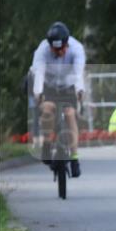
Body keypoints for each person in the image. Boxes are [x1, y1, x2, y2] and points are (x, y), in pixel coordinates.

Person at [31, 21, 86, 177]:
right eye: (55, 50)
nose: (59, 52)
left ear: (67, 44)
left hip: (69, 87)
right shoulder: (42, 50)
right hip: (49, 86)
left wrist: (80, 90)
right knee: (47, 109)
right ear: (49, 46)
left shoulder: (77, 49)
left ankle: (75, 159)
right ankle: (47, 144)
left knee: (70, 114)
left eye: (62, 49)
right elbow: (39, 74)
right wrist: (38, 93)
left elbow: (78, 73)